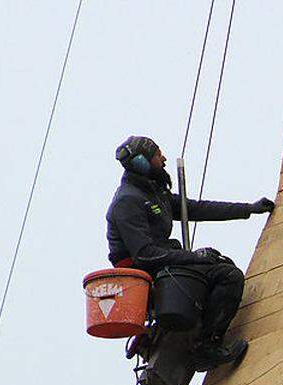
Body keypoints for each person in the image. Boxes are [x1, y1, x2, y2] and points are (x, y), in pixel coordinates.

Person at [106, 135, 274, 372]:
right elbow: (145, 254)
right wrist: (195, 257)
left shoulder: (153, 193)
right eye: (157, 155)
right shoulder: (128, 201)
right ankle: (206, 347)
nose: (163, 158)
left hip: (163, 262)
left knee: (219, 266)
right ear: (143, 163)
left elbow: (194, 208)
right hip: (147, 272)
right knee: (227, 276)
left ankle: (202, 330)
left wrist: (248, 209)